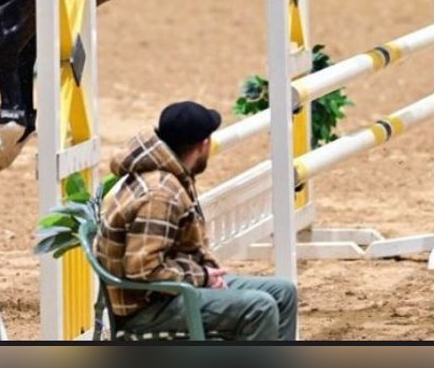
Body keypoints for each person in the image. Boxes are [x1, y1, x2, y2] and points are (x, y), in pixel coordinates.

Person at [95, 100, 298, 341]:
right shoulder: (161, 195)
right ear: (203, 145)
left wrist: (206, 274)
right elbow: (143, 270)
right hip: (148, 307)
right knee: (259, 308)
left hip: (168, 291)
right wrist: (202, 277)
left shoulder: (167, 176)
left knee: (283, 293)